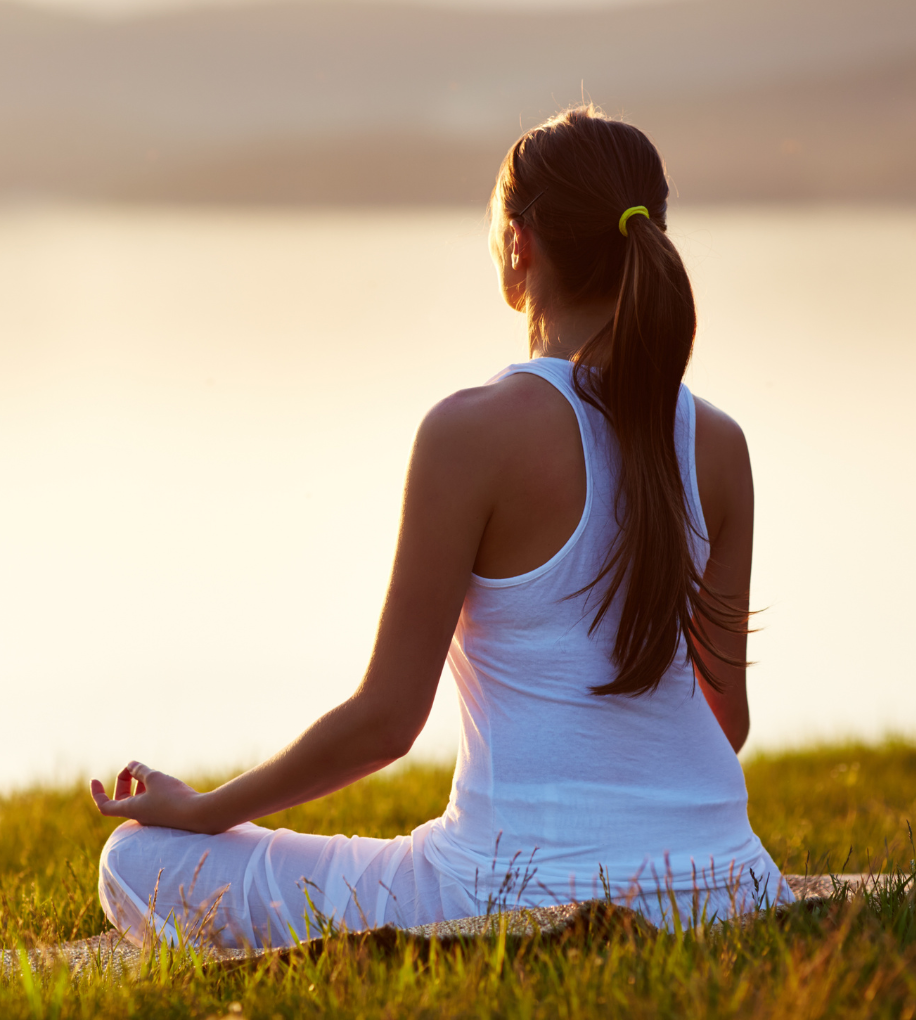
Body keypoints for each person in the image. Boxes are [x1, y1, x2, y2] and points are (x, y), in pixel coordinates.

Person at [89, 106, 793, 949]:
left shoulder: (471, 433)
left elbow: (388, 723)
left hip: (505, 892)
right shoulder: (718, 442)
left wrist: (206, 809)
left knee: (135, 860)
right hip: (733, 883)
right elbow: (725, 723)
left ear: (519, 246)